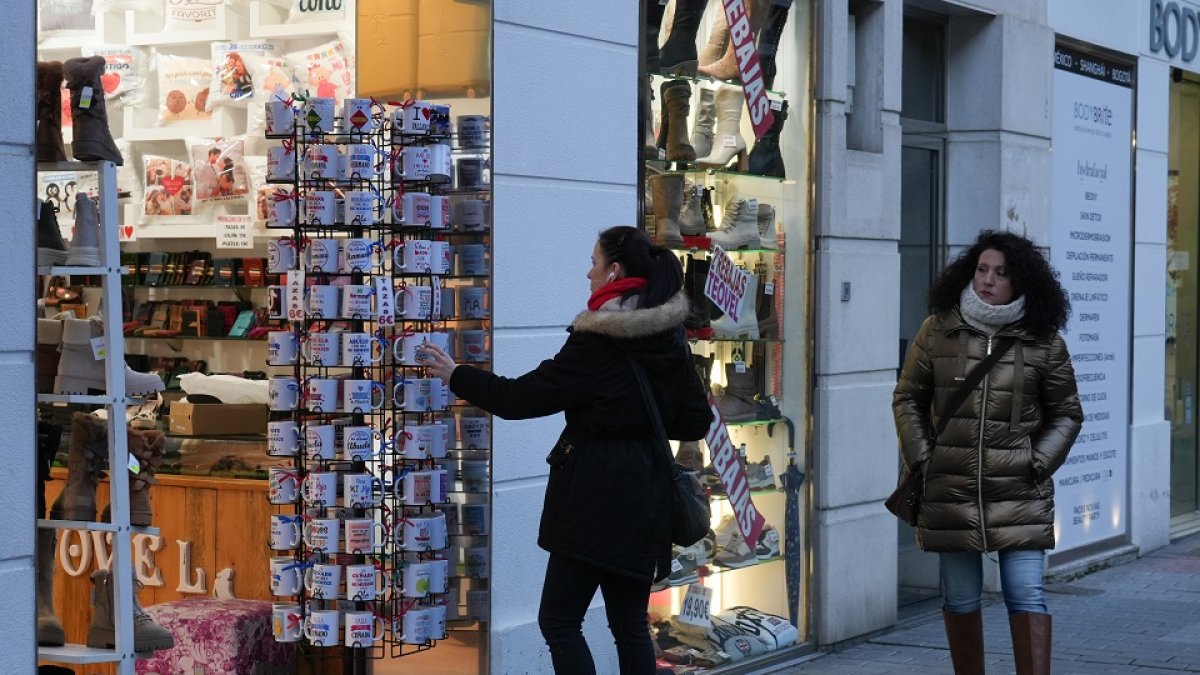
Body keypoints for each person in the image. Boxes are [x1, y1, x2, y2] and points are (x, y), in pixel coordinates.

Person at [419, 226, 712, 674]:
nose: (588, 272)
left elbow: (521, 398)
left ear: (614, 270)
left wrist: (457, 374)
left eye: (594, 262)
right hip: (646, 498)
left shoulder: (597, 340)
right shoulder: (669, 335)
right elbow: (694, 420)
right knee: (630, 625)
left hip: (593, 499)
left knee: (559, 621)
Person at [893, 230, 1083, 675]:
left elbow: (1067, 413)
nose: (988, 280)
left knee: (1026, 594)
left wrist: (1037, 463)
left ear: (1021, 281)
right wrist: (924, 458)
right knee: (959, 600)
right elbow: (907, 399)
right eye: (982, 269)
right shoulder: (939, 329)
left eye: (1000, 272)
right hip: (951, 489)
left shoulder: (1043, 340)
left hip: (1020, 491)